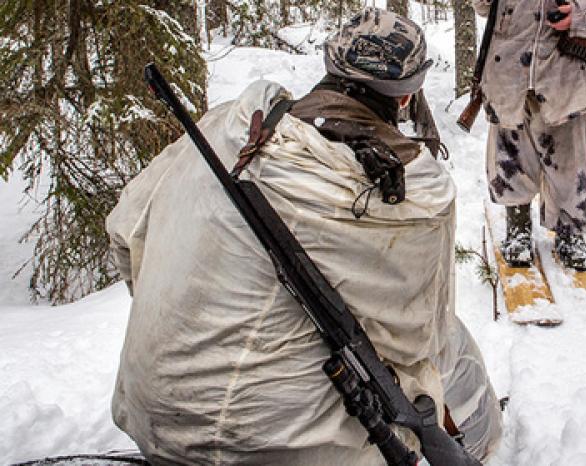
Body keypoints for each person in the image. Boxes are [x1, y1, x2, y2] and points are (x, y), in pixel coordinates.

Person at [107, 8, 502, 465]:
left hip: (156, 422)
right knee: (453, 345)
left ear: (330, 65)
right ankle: (480, 442)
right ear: (406, 96)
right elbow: (421, 341)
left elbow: (124, 235)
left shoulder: (226, 132)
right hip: (284, 450)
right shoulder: (417, 200)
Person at [475, 0, 586, 270]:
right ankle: (518, 226)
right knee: (509, 153)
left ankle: (571, 232)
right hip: (509, 64)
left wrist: (581, 16)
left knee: (570, 159)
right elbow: (484, 7)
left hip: (570, 72)